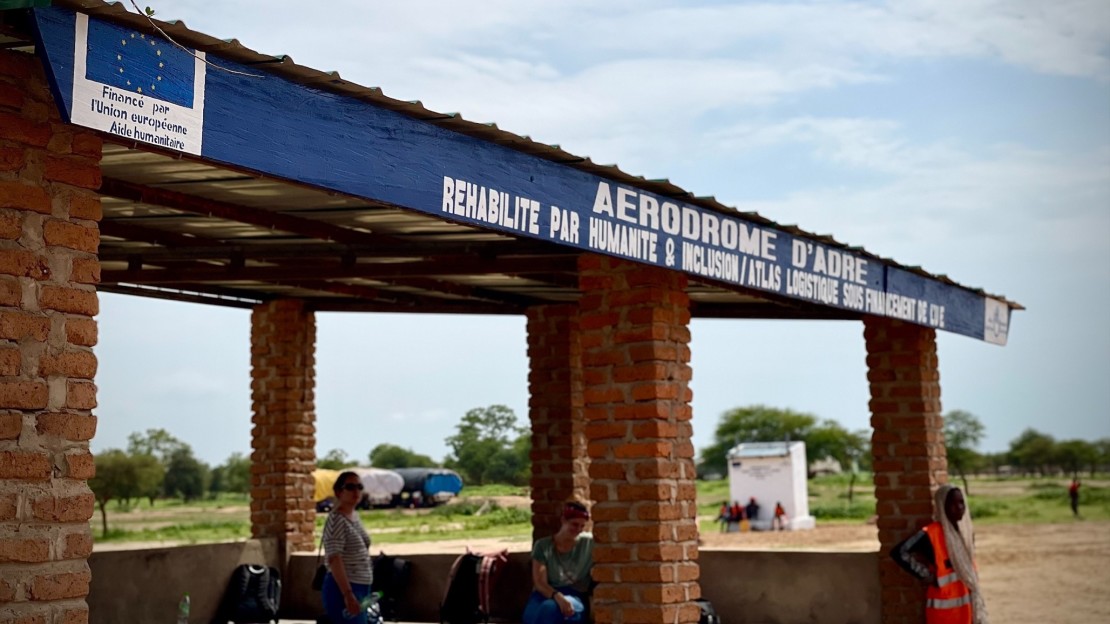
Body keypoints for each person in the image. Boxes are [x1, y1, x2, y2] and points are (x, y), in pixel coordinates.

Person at [892, 484, 989, 624]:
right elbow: (899, 552)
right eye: (952, 504)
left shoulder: (965, 532)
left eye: (961, 502)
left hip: (968, 608)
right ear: (942, 506)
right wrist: (927, 575)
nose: (959, 507)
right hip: (944, 612)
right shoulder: (931, 534)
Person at [523, 500, 594, 624]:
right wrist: (557, 596)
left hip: (575, 594)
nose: (578, 529)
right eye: (574, 524)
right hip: (546, 593)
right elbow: (540, 583)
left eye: (582, 526)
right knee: (533, 616)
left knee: (551, 610)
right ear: (563, 520)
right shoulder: (543, 546)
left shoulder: (588, 543)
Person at [321, 471, 374, 624]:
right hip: (345, 588)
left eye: (359, 487)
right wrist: (348, 594)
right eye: (350, 487)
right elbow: (334, 558)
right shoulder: (337, 520)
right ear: (339, 492)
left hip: (362, 586)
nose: (356, 491)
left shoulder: (354, 516)